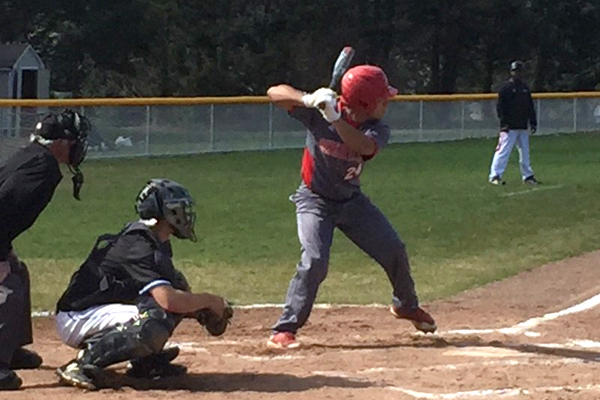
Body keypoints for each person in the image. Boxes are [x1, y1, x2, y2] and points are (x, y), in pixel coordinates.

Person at [265, 65, 437, 350]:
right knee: (315, 260)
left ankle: (406, 305)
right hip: (314, 200)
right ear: (367, 103)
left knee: (394, 249)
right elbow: (275, 92)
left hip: (351, 201)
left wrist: (334, 120)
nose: (387, 103)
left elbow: (364, 147)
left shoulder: (376, 127)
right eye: (383, 99)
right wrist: (307, 99)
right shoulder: (320, 111)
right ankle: (285, 328)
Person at [54, 178, 230, 390]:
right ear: (165, 213)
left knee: (176, 288)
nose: (185, 214)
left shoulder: (155, 239)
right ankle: (81, 364)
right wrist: (209, 300)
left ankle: (144, 362)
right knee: (154, 318)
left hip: (104, 306)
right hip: (79, 316)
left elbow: (175, 294)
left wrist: (204, 310)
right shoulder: (138, 244)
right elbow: (169, 300)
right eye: (179, 208)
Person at [0, 109, 90, 390]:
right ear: (61, 143)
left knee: (18, 272)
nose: (77, 147)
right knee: (8, 286)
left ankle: (10, 348)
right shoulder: (41, 168)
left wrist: (6, 250)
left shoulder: (34, 157)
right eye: (74, 141)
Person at [489, 60, 539, 186]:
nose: (517, 73)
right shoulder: (506, 88)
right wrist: (503, 123)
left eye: (519, 71)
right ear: (511, 72)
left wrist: (533, 122)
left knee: (525, 153)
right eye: (515, 71)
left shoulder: (524, 88)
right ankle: (495, 175)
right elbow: (500, 107)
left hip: (522, 125)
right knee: (503, 151)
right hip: (509, 127)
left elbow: (529, 106)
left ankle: (528, 176)